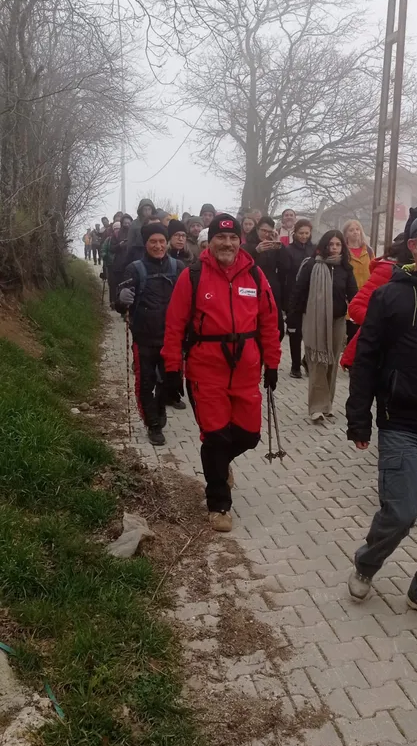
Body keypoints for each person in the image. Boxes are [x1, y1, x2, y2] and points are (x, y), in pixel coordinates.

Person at [346, 212, 417, 628]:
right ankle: (366, 562)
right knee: (401, 512)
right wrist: (358, 417)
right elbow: (367, 361)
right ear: (414, 246)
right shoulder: (389, 297)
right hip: (403, 426)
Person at [162, 214, 281, 533]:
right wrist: (172, 369)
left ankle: (219, 465)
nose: (227, 243)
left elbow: (270, 322)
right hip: (206, 370)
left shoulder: (255, 275)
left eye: (232, 239)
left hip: (246, 370)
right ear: (209, 241)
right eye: (220, 238)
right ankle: (219, 504)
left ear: (240, 242)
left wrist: (272, 363)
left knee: (249, 435)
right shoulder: (193, 276)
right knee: (215, 437)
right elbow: (174, 325)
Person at [341, 203, 417, 371]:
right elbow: (356, 307)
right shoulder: (388, 269)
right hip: (386, 361)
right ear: (413, 243)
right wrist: (387, 326)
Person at [117, 222, 184, 446]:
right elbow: (120, 302)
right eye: (153, 242)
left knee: (170, 382)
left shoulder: (179, 267)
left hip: (172, 338)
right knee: (146, 383)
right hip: (144, 337)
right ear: (145, 244)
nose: (158, 246)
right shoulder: (134, 269)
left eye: (162, 242)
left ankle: (158, 407)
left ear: (167, 243)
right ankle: (153, 425)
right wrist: (121, 299)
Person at [287, 230, 357, 422]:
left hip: (338, 321)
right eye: (331, 244)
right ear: (324, 246)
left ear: (343, 247)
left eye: (338, 245)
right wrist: (293, 321)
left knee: (332, 362)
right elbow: (298, 292)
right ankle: (316, 408)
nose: (334, 248)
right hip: (314, 321)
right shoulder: (312, 265)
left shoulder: (346, 268)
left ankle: (327, 405)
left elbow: (354, 295)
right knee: (318, 362)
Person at [246, 216, 290, 340]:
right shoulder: (248, 245)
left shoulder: (274, 246)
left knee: (278, 328)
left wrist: (279, 244)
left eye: (269, 232)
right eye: (263, 230)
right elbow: (243, 264)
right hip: (252, 289)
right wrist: (256, 251)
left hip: (272, 289)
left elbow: (286, 266)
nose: (266, 234)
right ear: (257, 229)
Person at [285, 219, 316, 378]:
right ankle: (295, 365)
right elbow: (285, 274)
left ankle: (307, 360)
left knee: (311, 334)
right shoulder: (289, 250)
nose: (304, 236)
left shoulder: (316, 250)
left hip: (311, 297)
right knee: (295, 334)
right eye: (301, 233)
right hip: (294, 297)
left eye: (306, 233)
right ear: (295, 233)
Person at [343, 220, 374, 343]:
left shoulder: (369, 251)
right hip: (349, 297)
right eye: (351, 230)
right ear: (346, 234)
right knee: (351, 334)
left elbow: (374, 271)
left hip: (366, 296)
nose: (355, 232)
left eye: (357, 229)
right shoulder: (343, 252)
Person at [102, 214, 133, 307]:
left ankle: (126, 306)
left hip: (130, 264)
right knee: (116, 284)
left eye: (129, 223)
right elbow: (109, 249)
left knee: (128, 285)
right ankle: (116, 303)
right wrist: (120, 245)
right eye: (125, 223)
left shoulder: (134, 234)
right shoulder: (114, 236)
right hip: (116, 265)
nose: (127, 224)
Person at [126, 199, 157, 264]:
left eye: (149, 209)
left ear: (152, 210)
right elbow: (130, 243)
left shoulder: (156, 222)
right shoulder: (135, 224)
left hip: (154, 251)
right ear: (141, 210)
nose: (147, 211)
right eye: (145, 209)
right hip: (139, 254)